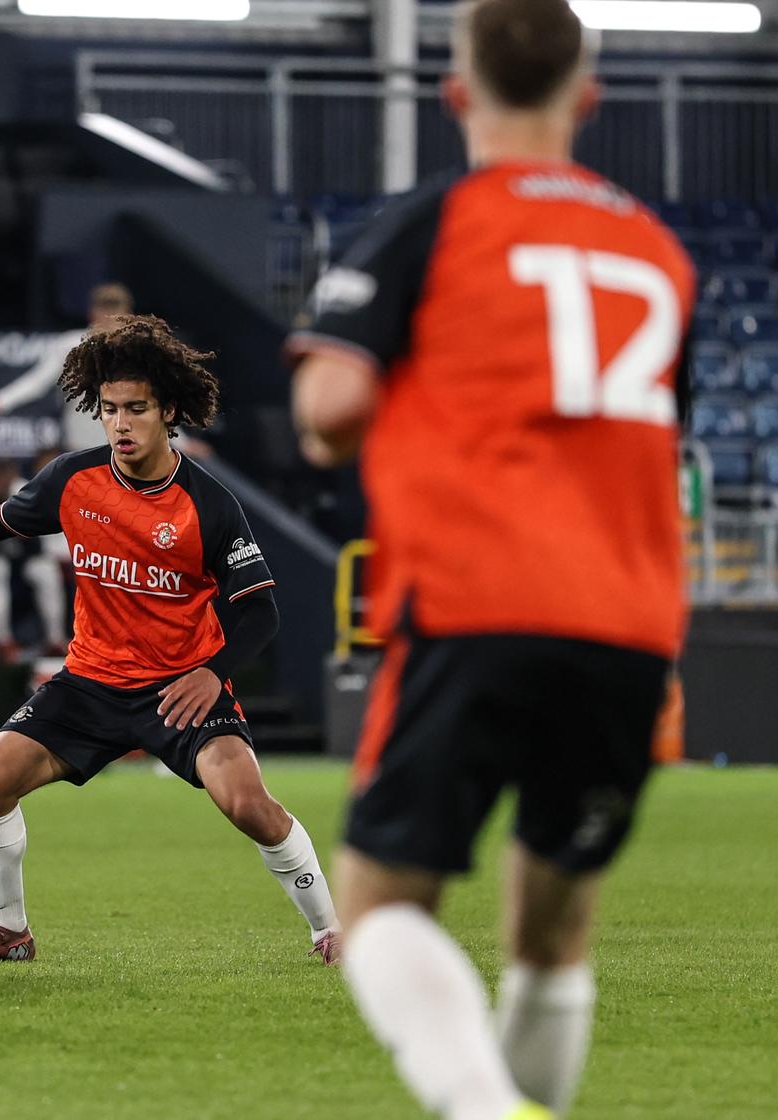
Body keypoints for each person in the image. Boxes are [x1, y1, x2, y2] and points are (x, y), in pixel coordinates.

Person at [286, 1, 693, 1117]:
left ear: (457, 93)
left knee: (380, 904)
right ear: (588, 97)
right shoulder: (658, 251)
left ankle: (481, 1108)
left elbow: (328, 406)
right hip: (626, 622)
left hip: (478, 600)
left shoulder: (440, 220)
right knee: (554, 935)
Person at [0, 314, 341, 965]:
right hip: (90, 683)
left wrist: (212, 671)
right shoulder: (74, 479)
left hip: (181, 689)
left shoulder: (210, 504)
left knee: (248, 803)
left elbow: (262, 614)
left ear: (168, 411)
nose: (118, 423)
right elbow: (3, 522)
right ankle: (10, 931)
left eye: (135, 409)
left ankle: (330, 929)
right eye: (109, 409)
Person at [0, 283, 134, 452]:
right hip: (83, 444)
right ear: (91, 313)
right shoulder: (72, 345)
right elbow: (38, 381)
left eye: (115, 308)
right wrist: (0, 401)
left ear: (128, 314)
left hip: (130, 444)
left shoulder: (142, 348)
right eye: (104, 308)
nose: (110, 315)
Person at [0, 457, 68, 654]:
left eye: (8, 473)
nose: (4, 479)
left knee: (46, 573)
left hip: (27, 557)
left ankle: (55, 639)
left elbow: (42, 535)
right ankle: (3, 640)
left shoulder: (27, 490)